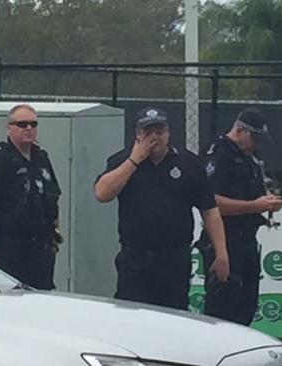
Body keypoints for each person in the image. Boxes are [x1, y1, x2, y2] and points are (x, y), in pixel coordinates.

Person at [94, 107, 229, 310]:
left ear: (168, 134)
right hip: (135, 260)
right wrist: (134, 160)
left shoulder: (188, 163)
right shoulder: (121, 161)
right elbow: (102, 194)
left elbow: (209, 211)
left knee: (173, 318)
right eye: (148, 132)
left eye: (159, 132)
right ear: (138, 134)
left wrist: (221, 253)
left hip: (174, 260)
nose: (154, 138)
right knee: (131, 319)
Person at [199, 107, 282, 325]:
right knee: (223, 310)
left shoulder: (250, 157)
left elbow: (250, 192)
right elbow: (211, 202)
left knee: (246, 307)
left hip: (247, 240)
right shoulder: (220, 154)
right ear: (239, 130)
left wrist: (266, 201)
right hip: (224, 241)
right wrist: (254, 206)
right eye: (253, 137)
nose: (256, 144)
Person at [0, 104, 62, 290]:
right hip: (9, 247)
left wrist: (55, 236)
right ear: (9, 127)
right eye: (22, 124)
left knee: (43, 298)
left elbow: (52, 196)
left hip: (41, 248)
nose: (29, 128)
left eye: (33, 124)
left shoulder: (41, 158)